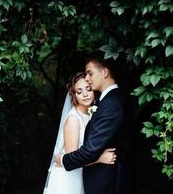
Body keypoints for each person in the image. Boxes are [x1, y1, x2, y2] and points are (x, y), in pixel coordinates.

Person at [55, 57, 134, 194]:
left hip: (107, 181)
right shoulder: (105, 102)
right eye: (79, 91)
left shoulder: (111, 104)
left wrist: (63, 160)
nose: (87, 77)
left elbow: (90, 150)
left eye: (90, 73)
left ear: (104, 72)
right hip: (82, 178)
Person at [43, 72, 117, 194]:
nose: (85, 94)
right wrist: (100, 158)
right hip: (67, 178)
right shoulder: (73, 119)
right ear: (74, 95)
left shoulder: (92, 113)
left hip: (82, 175)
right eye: (79, 91)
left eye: (88, 89)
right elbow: (72, 159)